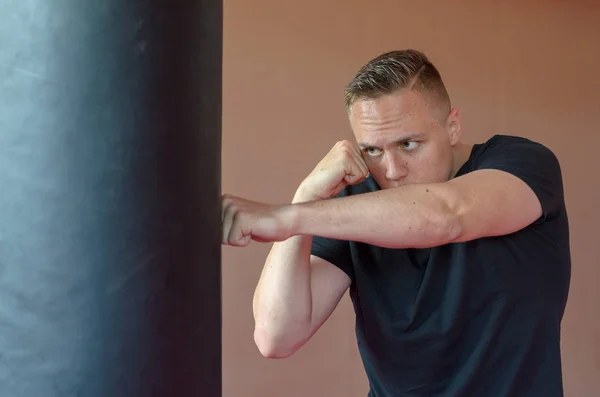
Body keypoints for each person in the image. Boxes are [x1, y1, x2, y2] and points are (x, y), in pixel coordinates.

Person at [221, 49, 571, 397]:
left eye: (408, 144)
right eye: (372, 150)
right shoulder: (355, 202)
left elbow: (447, 215)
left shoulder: (522, 164)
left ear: (453, 126)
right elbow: (276, 336)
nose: (391, 170)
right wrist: (305, 196)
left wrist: (286, 217)